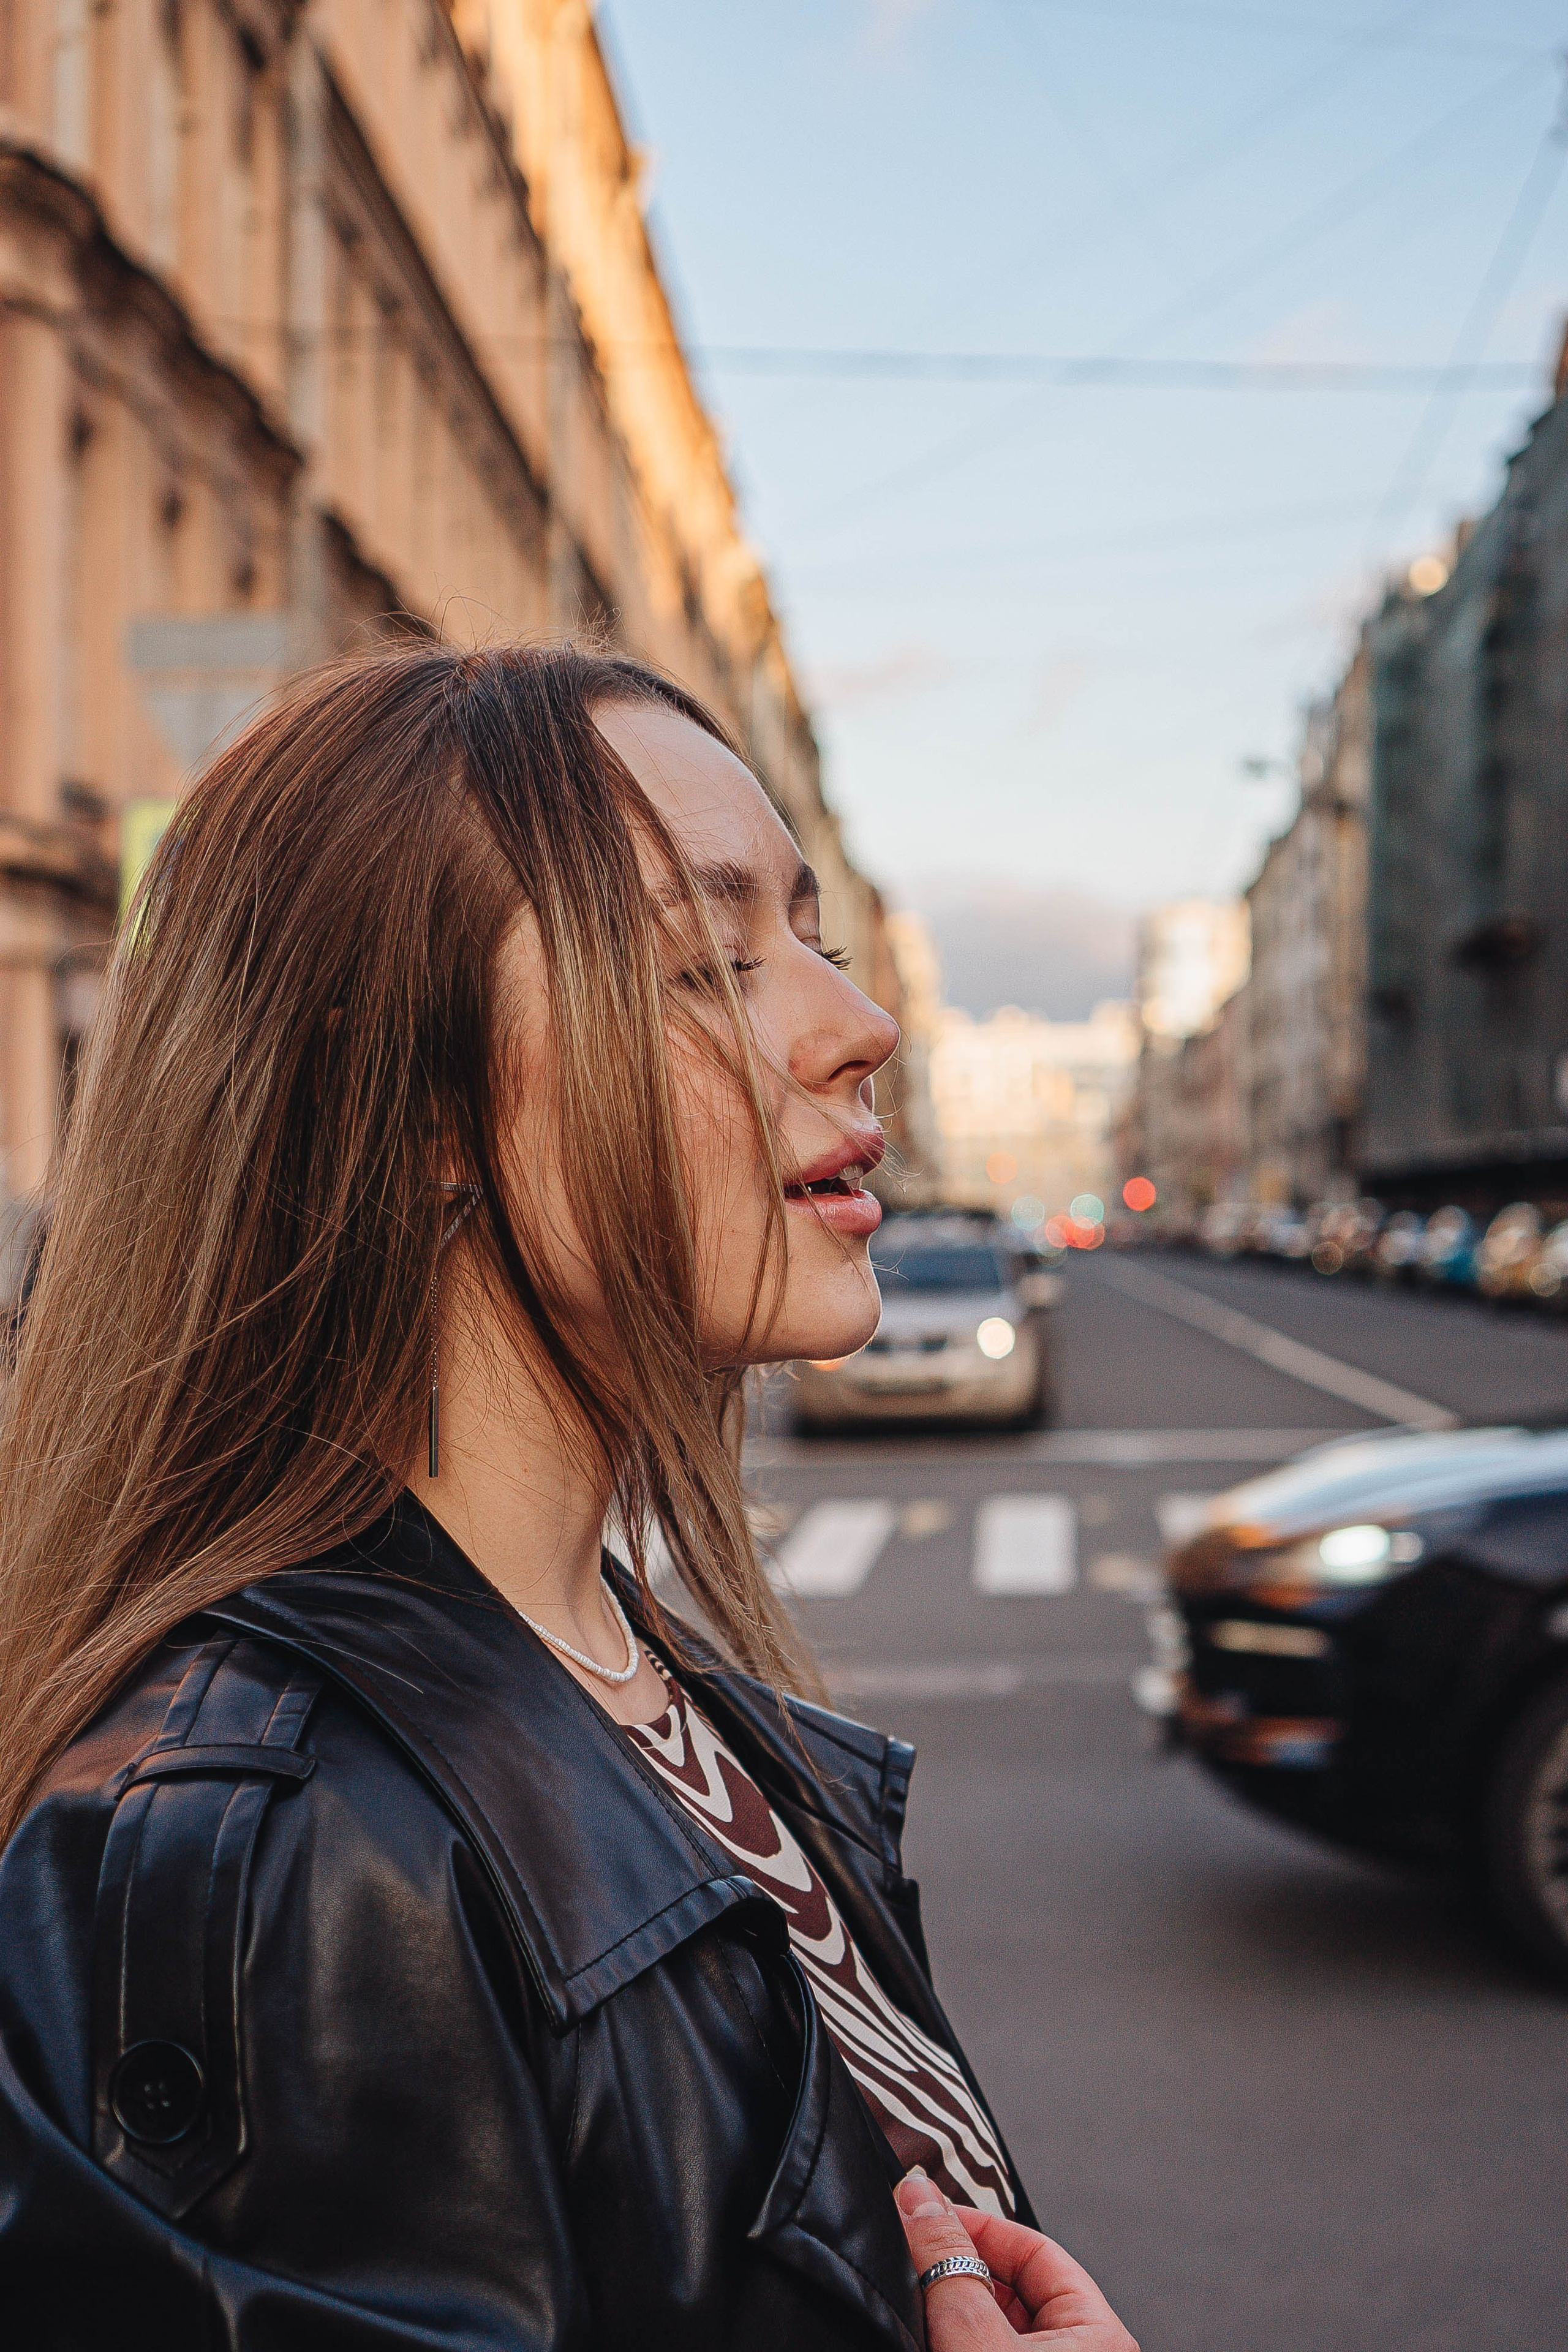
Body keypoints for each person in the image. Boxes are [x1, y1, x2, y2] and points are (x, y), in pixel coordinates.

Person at [0, 644, 1137, 2351]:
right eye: (706, 962)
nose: (858, 1023)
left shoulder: (627, 1667)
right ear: (425, 1099)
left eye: (811, 939)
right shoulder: (277, 1856)